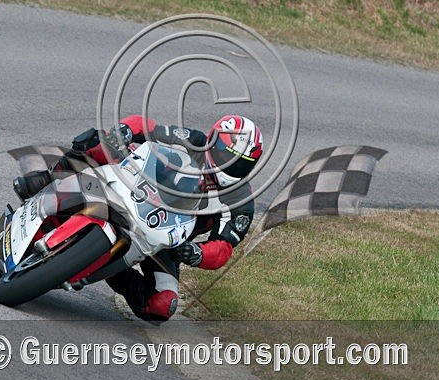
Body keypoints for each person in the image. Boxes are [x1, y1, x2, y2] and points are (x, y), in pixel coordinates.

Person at [13, 114, 263, 322]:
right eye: (226, 156)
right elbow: (147, 127)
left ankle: (110, 269)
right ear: (212, 143)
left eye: (241, 164)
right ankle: (46, 180)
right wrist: (124, 131)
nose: (229, 167)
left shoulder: (240, 201)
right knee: (99, 142)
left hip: (165, 241)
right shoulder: (192, 141)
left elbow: (223, 248)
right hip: (134, 189)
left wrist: (197, 253)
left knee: (162, 306)